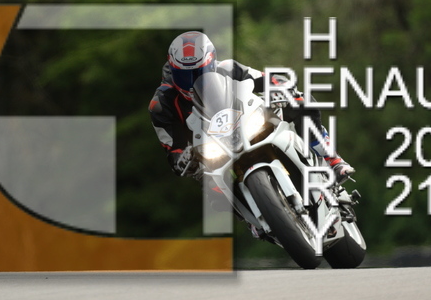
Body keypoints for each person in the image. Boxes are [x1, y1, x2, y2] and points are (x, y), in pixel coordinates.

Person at [148, 31, 355, 215]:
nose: (192, 81)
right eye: (184, 76)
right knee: (215, 196)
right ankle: (255, 219)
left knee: (302, 102)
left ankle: (332, 160)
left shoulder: (228, 68)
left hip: (248, 123)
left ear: (211, 63)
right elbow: (172, 148)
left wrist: (282, 89)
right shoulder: (161, 104)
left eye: (199, 72)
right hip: (210, 151)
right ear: (173, 70)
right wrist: (182, 158)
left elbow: (265, 79)